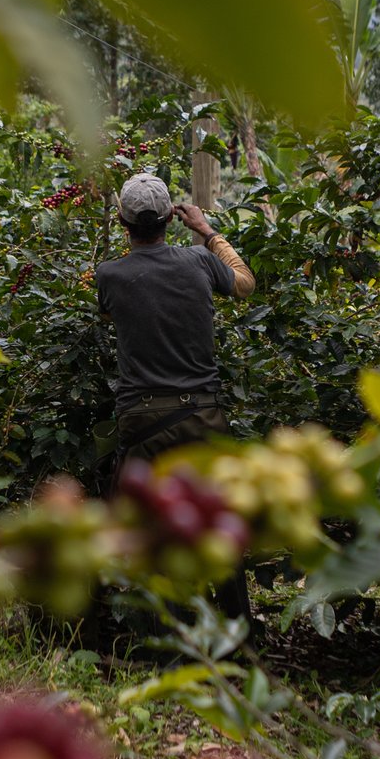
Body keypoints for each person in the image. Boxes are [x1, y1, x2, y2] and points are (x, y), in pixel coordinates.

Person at [94, 171, 255, 621]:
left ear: (124, 224)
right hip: (203, 417)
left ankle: (161, 640)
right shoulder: (200, 263)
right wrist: (206, 232)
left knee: (148, 533)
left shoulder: (109, 276)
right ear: (171, 218)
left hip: (143, 424)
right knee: (220, 528)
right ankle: (236, 633)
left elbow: (111, 314)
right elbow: (245, 283)